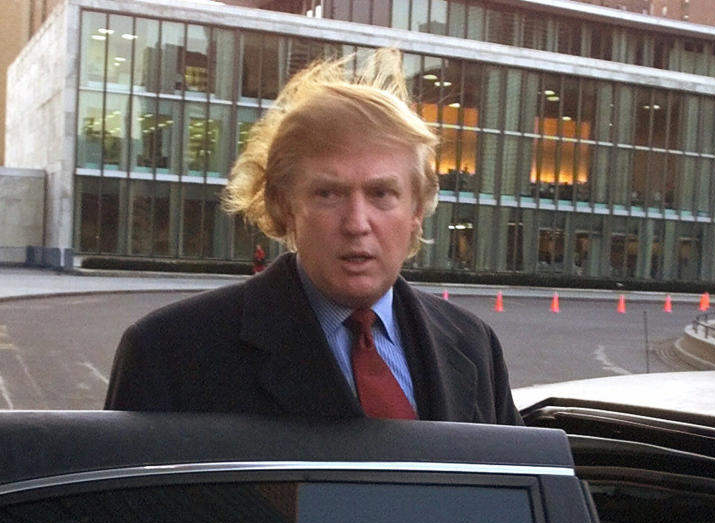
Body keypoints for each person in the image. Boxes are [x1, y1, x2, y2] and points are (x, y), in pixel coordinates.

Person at [104, 49, 522, 425]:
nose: (357, 222)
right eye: (328, 194)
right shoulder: (169, 353)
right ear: (285, 205)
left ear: (417, 210)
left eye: (381, 194)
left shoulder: (474, 345)